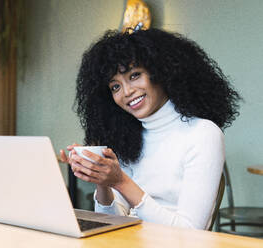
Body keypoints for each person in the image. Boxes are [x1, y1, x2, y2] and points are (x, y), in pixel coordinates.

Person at [59, 27, 241, 230]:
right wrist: (101, 180)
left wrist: (120, 182)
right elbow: (111, 224)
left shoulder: (203, 134)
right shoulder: (127, 138)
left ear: (162, 72)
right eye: (115, 87)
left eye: (135, 75)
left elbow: (191, 233)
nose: (127, 91)